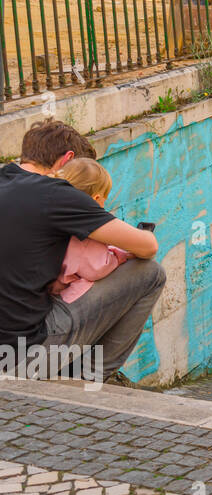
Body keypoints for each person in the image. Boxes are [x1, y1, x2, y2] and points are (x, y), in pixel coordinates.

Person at [0, 121, 164, 383]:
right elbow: (147, 247)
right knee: (150, 272)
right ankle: (87, 378)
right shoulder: (57, 193)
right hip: (21, 357)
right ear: (68, 160)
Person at [49, 158, 129, 302]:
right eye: (105, 198)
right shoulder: (83, 232)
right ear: (96, 198)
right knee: (150, 271)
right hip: (61, 296)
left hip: (43, 289)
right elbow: (96, 270)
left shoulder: (54, 212)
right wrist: (119, 257)